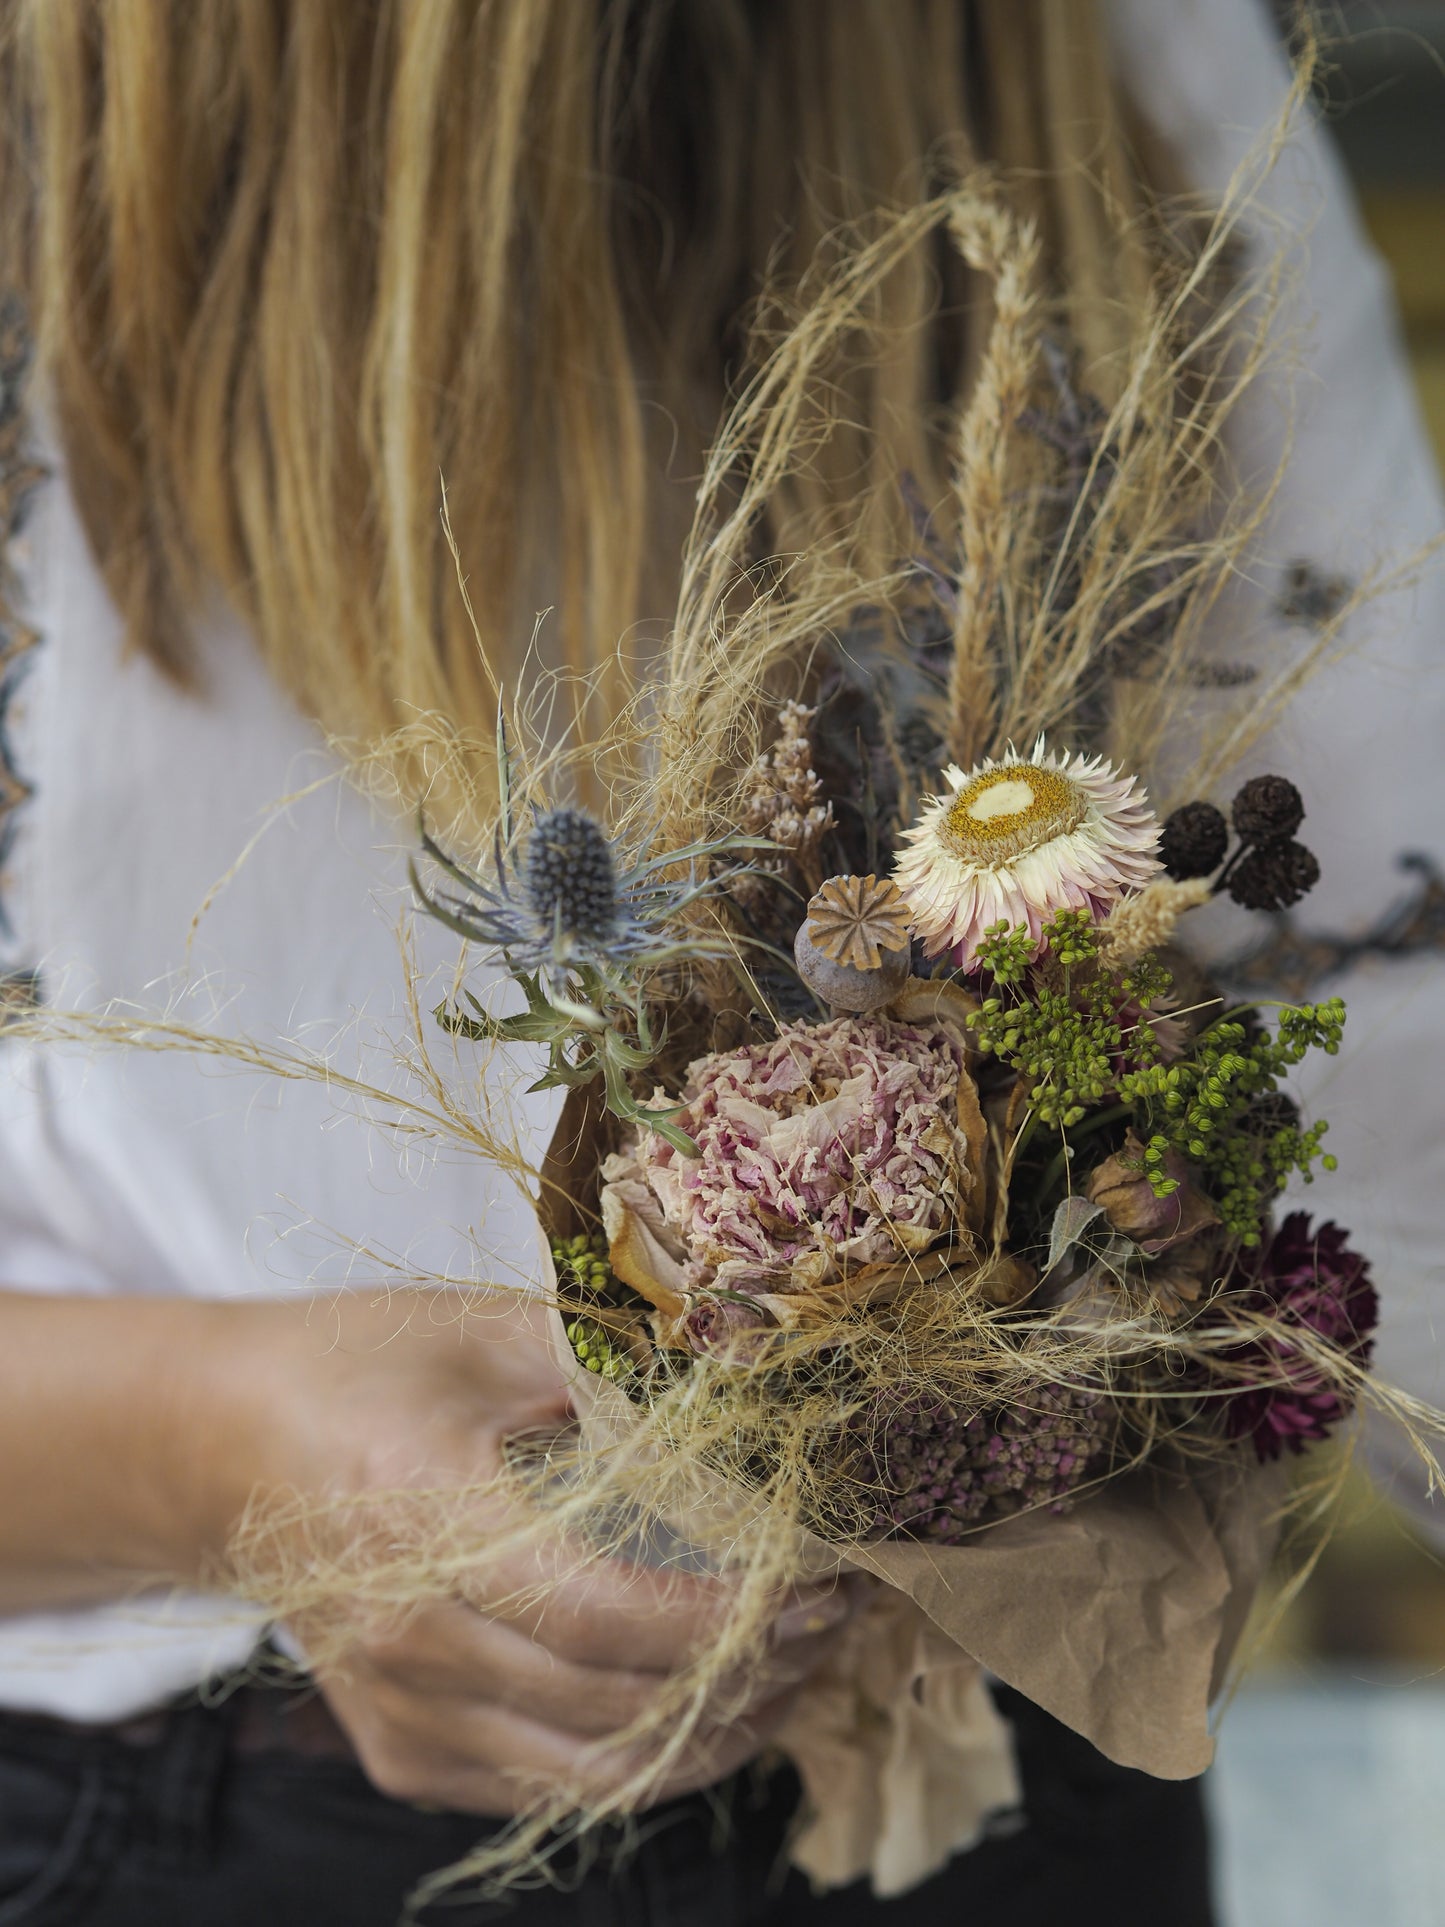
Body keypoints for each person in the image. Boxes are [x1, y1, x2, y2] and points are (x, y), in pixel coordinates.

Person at [0, 2, 1439, 1923]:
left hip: (998, 1746)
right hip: (188, 1808)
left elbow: (1393, 1021)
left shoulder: (1082, 71)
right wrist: (213, 1452)